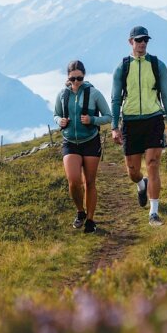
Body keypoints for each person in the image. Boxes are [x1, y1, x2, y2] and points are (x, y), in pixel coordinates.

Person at [111, 25, 167, 226]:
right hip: (131, 122)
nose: (142, 44)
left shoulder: (158, 65)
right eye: (138, 40)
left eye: (145, 40)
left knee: (153, 165)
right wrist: (115, 127)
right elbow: (115, 99)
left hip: (153, 120)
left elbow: (166, 95)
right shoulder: (122, 67)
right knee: (133, 170)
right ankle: (141, 184)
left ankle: (153, 213)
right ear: (130, 42)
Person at [53, 60, 112, 233]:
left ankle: (90, 221)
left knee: (90, 182)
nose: (76, 82)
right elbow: (56, 114)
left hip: (91, 141)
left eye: (79, 78)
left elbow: (108, 116)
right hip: (70, 141)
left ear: (84, 76)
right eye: (72, 79)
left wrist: (92, 120)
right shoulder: (62, 95)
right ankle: (80, 211)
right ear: (68, 77)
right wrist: (60, 121)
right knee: (73, 181)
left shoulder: (94, 94)